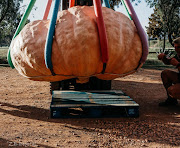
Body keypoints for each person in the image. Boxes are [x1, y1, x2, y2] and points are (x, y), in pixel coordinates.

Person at [158, 37, 180, 106]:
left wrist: (178, 64)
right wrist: (163, 57)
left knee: (172, 90)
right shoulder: (179, 54)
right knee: (165, 73)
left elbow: (176, 63)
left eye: (178, 47)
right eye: (175, 47)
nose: (176, 49)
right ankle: (171, 100)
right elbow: (169, 61)